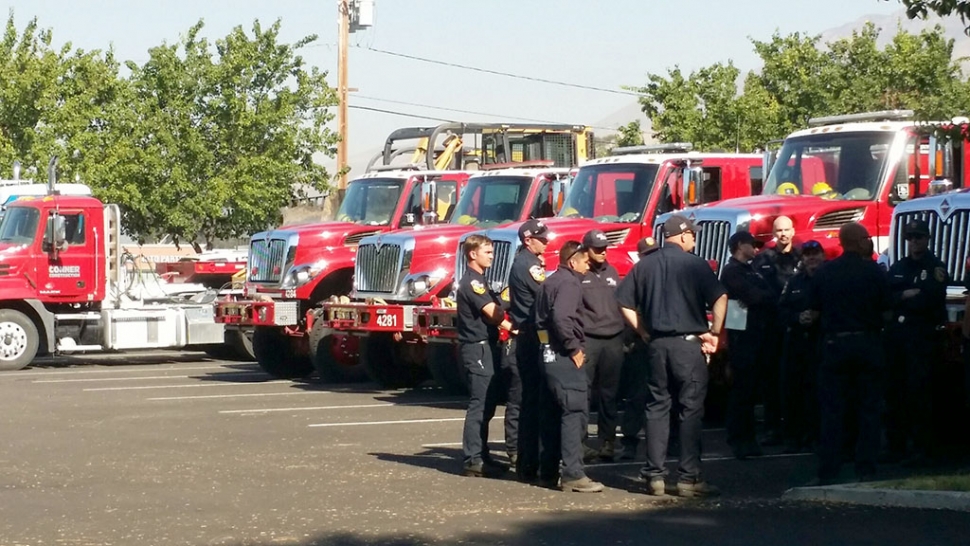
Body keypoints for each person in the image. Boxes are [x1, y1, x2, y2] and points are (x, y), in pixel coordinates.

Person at [616, 214, 727, 498]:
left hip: (656, 345)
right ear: (683, 235)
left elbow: (624, 302)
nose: (694, 238)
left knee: (656, 407)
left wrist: (642, 331)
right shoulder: (695, 264)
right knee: (690, 410)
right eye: (692, 234)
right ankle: (689, 477)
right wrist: (714, 332)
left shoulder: (645, 265)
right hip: (688, 345)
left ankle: (655, 475)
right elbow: (720, 297)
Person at [809, 222, 890, 484]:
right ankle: (865, 468)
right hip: (868, 343)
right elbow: (887, 310)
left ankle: (828, 470)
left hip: (834, 345)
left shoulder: (825, 273)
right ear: (860, 241)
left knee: (832, 410)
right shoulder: (874, 273)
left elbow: (814, 311)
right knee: (869, 408)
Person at [534, 240, 604, 492]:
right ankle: (574, 473)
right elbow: (562, 317)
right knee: (574, 412)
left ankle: (548, 472)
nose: (588, 266)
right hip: (564, 356)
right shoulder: (570, 283)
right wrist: (573, 348)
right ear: (572, 261)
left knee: (552, 414)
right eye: (585, 261)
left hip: (547, 355)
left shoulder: (549, 281)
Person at [885, 219, 948, 465]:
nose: (914, 242)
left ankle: (922, 447)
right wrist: (904, 294)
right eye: (910, 237)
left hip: (921, 337)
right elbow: (886, 296)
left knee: (919, 393)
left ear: (927, 239)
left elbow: (929, 300)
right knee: (895, 391)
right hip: (897, 337)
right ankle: (895, 446)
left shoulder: (936, 268)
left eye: (919, 237)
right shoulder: (899, 266)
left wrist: (902, 297)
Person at [456, 234, 514, 477]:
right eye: (487, 252)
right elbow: (493, 314)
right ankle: (473, 459)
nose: (491, 256)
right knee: (479, 405)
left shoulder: (482, 281)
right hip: (477, 347)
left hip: (486, 346)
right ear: (473, 254)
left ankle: (483, 453)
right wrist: (512, 325)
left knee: (488, 404)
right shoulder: (472, 282)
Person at [720, 230, 775, 460]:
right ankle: (739, 439)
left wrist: (762, 295)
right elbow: (754, 296)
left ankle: (749, 438)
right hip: (741, 339)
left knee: (752, 392)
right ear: (740, 245)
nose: (756, 248)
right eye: (752, 244)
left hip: (756, 336)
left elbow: (768, 294)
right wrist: (761, 295)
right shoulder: (732, 271)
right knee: (742, 392)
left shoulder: (750, 270)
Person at [752, 215, 800, 445]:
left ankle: (794, 428)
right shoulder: (762, 260)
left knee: (795, 380)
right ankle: (772, 428)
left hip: (795, 328)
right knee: (770, 381)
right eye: (779, 230)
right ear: (773, 233)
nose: (783, 234)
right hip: (770, 328)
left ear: (793, 231)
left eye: (786, 230)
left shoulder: (802, 257)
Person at [578, 229, 625, 462]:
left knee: (610, 394)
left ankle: (608, 441)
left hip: (614, 339)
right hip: (589, 339)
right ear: (586, 250)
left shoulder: (612, 271)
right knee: (583, 392)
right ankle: (581, 442)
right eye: (597, 249)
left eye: (605, 248)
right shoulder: (579, 274)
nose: (602, 252)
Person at [508, 218, 549, 482]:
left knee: (528, 401)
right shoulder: (530, 265)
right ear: (528, 240)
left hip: (525, 335)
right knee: (534, 402)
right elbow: (546, 294)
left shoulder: (523, 262)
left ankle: (525, 460)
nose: (546, 241)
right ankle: (529, 461)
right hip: (532, 336)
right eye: (541, 238)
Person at [778, 240, 826, 453]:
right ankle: (794, 436)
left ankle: (817, 435)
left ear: (823, 256)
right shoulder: (794, 282)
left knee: (818, 391)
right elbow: (781, 311)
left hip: (821, 341)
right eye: (807, 254)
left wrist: (818, 317)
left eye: (815, 253)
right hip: (797, 343)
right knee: (794, 390)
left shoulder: (830, 279)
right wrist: (798, 317)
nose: (812, 258)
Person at [619, 237, 660, 461]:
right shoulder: (638, 274)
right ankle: (629, 442)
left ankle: (669, 441)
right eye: (648, 253)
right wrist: (642, 331)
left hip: (662, 339)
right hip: (642, 341)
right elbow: (624, 303)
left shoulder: (665, 272)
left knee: (664, 394)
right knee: (637, 394)